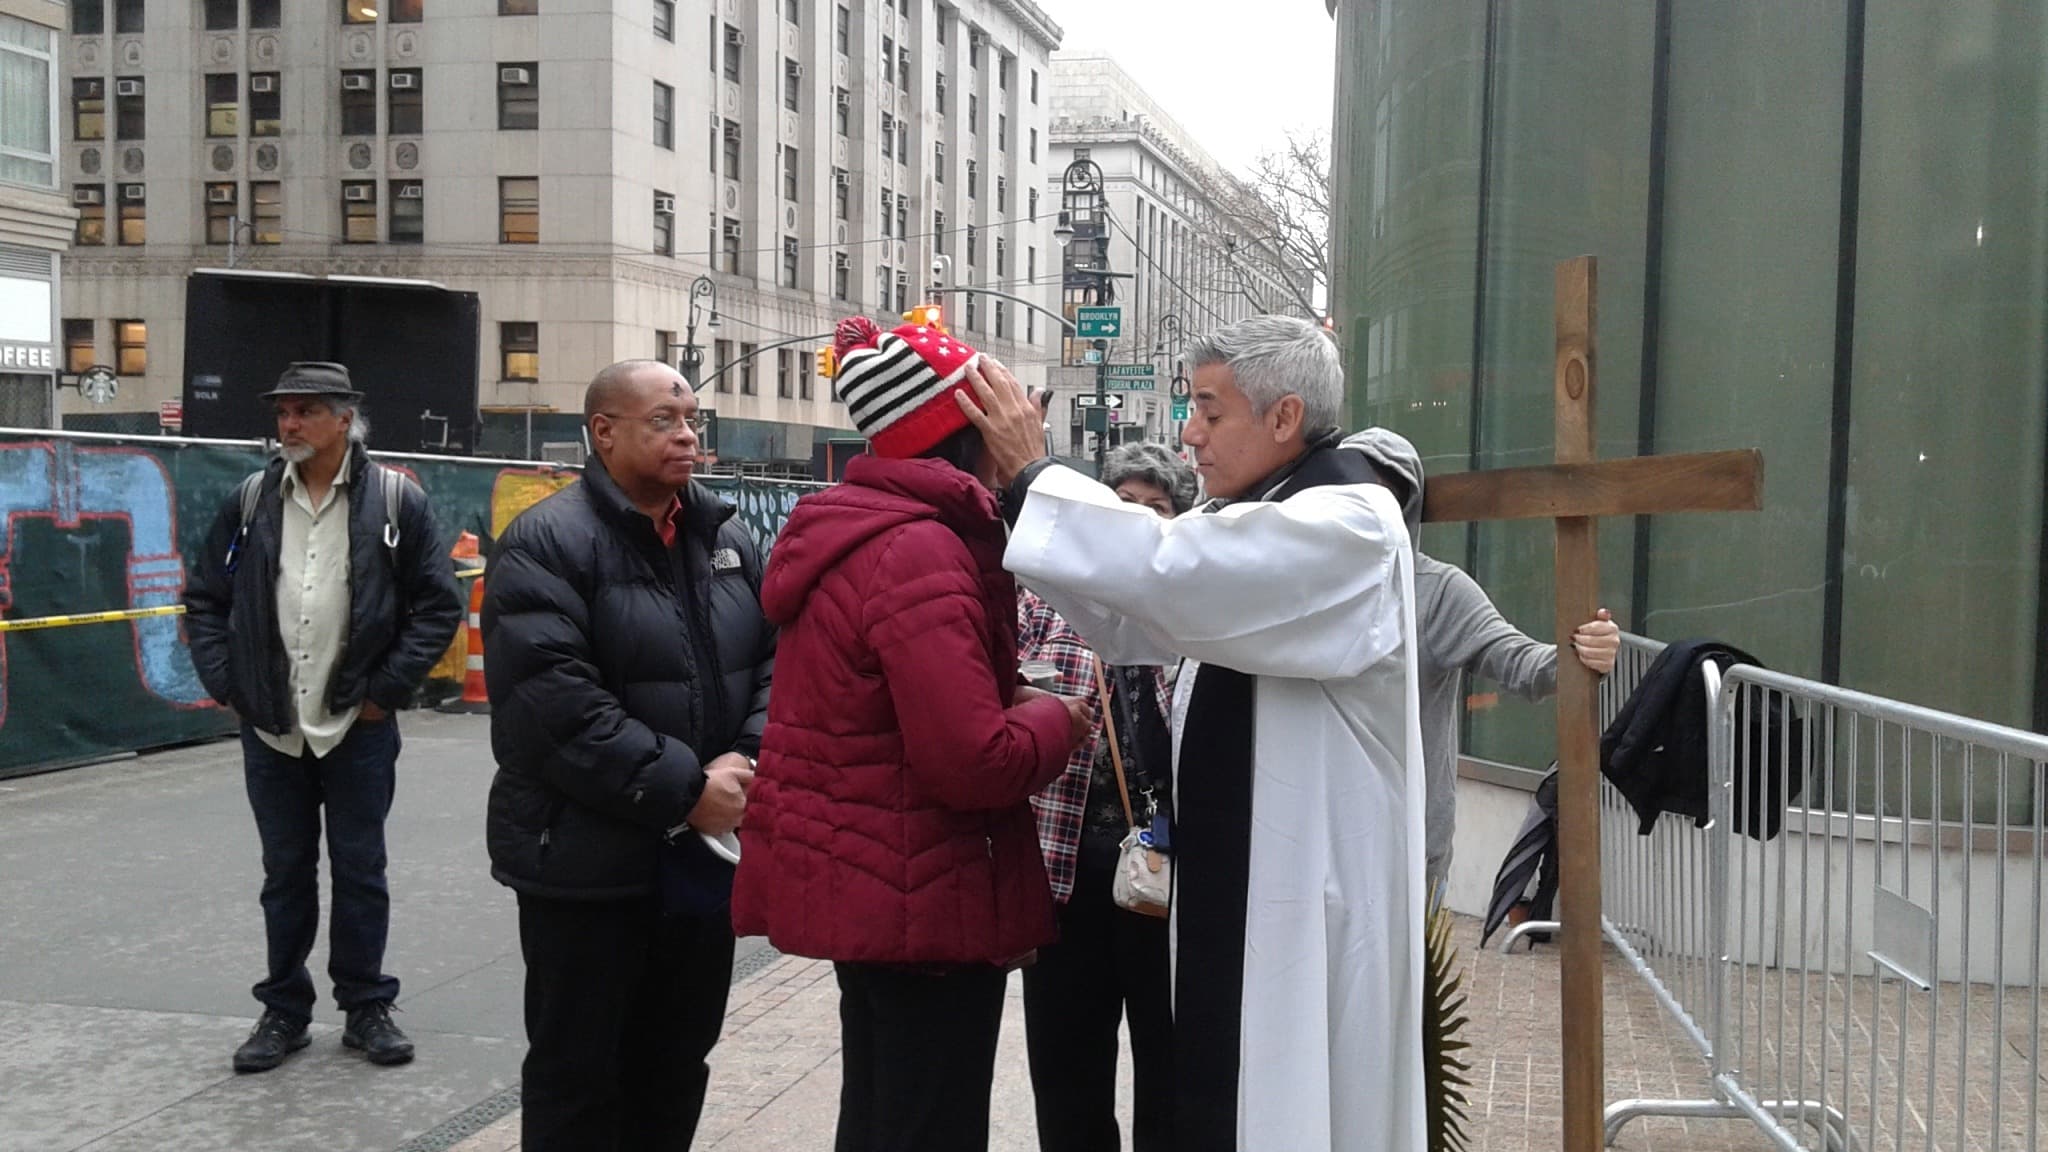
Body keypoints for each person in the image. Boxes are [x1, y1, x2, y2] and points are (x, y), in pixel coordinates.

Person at [955, 314, 1427, 1152]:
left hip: (1302, 890)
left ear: (1284, 418)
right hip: (1243, 881)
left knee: (1292, 1104)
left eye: (1210, 409)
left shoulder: (1347, 518)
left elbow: (1169, 571)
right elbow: (1141, 619)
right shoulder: (1268, 509)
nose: (1189, 432)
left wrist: (1041, 474)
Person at [732, 316, 1092, 1152]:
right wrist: (1054, 719)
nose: (1023, 430)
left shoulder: (866, 530)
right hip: (919, 892)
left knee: (886, 1109)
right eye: (1003, 416)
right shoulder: (921, 549)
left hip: (883, 882)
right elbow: (971, 761)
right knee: (926, 1119)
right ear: (960, 434)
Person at [481, 360, 775, 1151]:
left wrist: (743, 763)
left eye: (692, 420)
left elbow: (775, 663)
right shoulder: (546, 542)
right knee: (580, 1076)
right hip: (585, 866)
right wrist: (688, 789)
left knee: (676, 1062)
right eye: (663, 420)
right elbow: (556, 711)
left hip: (699, 863)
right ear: (603, 433)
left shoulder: (727, 535)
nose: (686, 434)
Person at [184, 361, 463, 1074]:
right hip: (271, 724)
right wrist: (229, 684)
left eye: (304, 411)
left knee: (361, 868)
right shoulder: (249, 500)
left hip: (357, 726)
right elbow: (205, 599)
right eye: (282, 412)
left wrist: (385, 692)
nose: (288, 425)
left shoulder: (396, 503)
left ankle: (367, 1005)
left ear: (345, 418)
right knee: (285, 873)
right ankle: (284, 1010)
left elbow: (437, 607)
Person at [1017, 441, 1198, 1152]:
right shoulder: (1043, 604)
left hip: (1166, 879)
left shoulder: (1192, 616)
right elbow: (998, 686)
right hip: (1064, 874)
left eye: (1155, 510)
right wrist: (1041, 705)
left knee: (1171, 1068)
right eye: (1122, 506)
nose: (1137, 520)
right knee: (1066, 1072)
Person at [1346, 428, 1621, 892]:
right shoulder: (1305, 587)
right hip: (1314, 834)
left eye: (1378, 497)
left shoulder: (1436, 593)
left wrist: (1583, 651)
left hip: (1404, 847)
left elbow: (1521, 663)